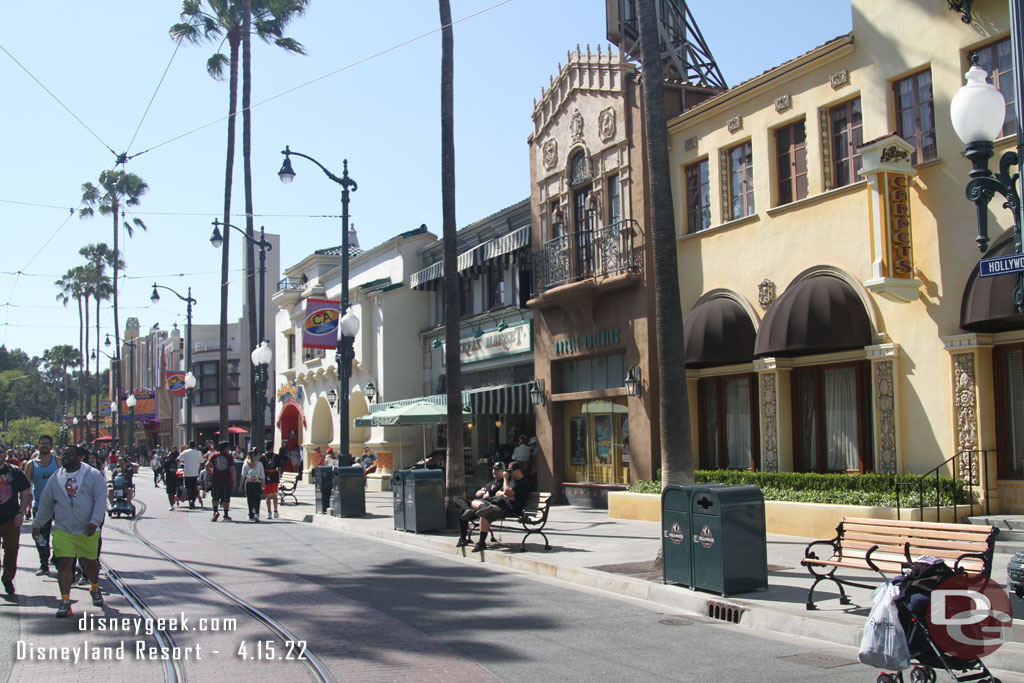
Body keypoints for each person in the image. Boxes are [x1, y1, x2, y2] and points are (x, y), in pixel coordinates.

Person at [31, 445, 107, 616]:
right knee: (65, 563)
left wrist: (95, 521)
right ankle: (65, 601)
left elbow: (100, 500)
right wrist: (37, 524)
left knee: (90, 563)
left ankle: (94, 587)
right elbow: (46, 504)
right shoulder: (55, 478)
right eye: (63, 454)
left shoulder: (92, 475)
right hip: (63, 529)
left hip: (87, 528)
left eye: (69, 454)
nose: (65, 457)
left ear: (79, 457)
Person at [466, 461, 531, 553]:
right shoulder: (512, 482)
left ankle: (481, 543)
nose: (509, 474)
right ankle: (483, 508)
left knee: (485, 513)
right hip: (498, 504)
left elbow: (507, 492)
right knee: (476, 503)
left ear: (518, 471)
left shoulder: (522, 483)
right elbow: (499, 492)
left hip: (509, 508)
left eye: (511, 471)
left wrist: (505, 481)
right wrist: (506, 493)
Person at [23, 435, 61, 576]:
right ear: (38, 446)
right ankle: (43, 563)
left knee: (60, 533)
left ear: (51, 446)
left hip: (58, 504)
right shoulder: (31, 465)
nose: (44, 445)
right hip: (40, 505)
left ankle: (57, 557)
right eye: (42, 443)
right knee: (40, 535)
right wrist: (25, 506)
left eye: (47, 443)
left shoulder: (57, 462)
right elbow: (26, 487)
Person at [0, 449, 31, 596]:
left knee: (11, 551)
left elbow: (25, 492)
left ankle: (7, 578)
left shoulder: (15, 472)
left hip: (10, 519)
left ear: (5, 454)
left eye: (0, 451)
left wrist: (21, 512)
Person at [453, 461, 505, 547]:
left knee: (463, 513)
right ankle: (467, 510)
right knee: (456, 499)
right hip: (476, 504)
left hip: (486, 506)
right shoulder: (491, 482)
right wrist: (485, 492)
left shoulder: (503, 483)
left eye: (497, 470)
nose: (494, 472)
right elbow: (478, 493)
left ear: (503, 471)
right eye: (493, 469)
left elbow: (489, 494)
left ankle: (464, 537)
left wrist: (485, 492)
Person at [208, 441, 237, 522]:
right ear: (225, 448)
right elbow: (232, 470)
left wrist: (211, 471)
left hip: (215, 480)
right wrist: (234, 481)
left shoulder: (214, 455)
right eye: (228, 447)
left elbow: (207, 465)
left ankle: (215, 512)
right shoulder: (229, 457)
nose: (229, 449)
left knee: (215, 497)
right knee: (225, 498)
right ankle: (226, 514)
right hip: (226, 480)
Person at [239, 451, 266, 522]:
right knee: (257, 499)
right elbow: (263, 476)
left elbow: (243, 476)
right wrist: (263, 484)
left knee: (250, 499)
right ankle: (256, 513)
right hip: (257, 483)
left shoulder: (246, 464)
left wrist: (240, 485)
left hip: (249, 483)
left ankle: (251, 514)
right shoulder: (259, 464)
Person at [177, 441, 203, 509]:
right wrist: (199, 469)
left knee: (188, 487)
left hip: (187, 472)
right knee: (194, 487)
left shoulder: (185, 452)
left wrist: (183, 461)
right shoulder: (198, 453)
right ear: (195, 445)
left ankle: (190, 499)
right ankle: (193, 501)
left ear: (189, 445)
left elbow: (178, 459)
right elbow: (202, 462)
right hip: (195, 473)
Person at [261, 449, 280, 519]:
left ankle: (269, 512)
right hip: (274, 476)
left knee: (268, 496)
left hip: (266, 477)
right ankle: (275, 511)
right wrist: (279, 476)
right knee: (275, 494)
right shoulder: (276, 456)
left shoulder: (262, 457)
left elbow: (261, 468)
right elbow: (279, 467)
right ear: (272, 448)